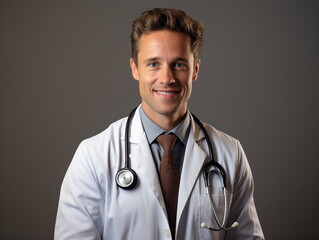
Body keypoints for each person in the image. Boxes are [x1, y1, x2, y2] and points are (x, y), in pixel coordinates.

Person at [54, 8, 264, 240]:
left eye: (179, 64)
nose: (167, 78)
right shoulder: (93, 157)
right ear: (135, 69)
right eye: (154, 64)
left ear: (195, 70)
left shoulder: (229, 154)